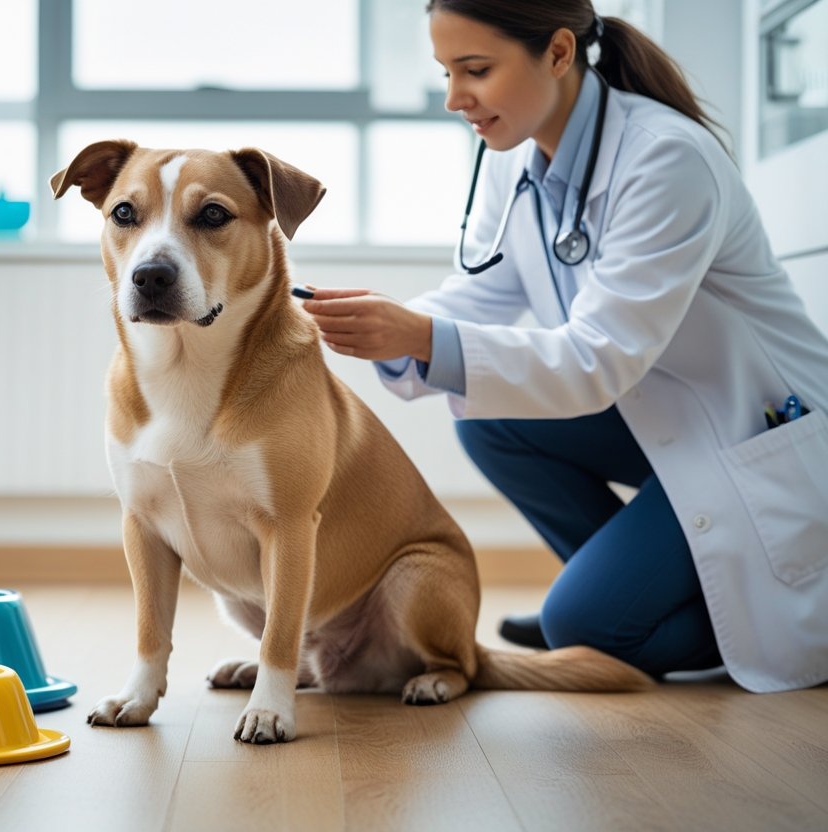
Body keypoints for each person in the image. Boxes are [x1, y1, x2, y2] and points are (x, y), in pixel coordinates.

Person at [302, 0, 828, 692]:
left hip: (754, 434)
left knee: (584, 628)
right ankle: (621, 588)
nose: (455, 98)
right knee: (486, 416)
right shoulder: (513, 157)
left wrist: (420, 335)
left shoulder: (665, 159)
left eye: (476, 70)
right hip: (662, 419)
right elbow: (477, 298)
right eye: (446, 73)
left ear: (556, 53)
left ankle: (701, 611)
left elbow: (600, 358)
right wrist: (382, 329)